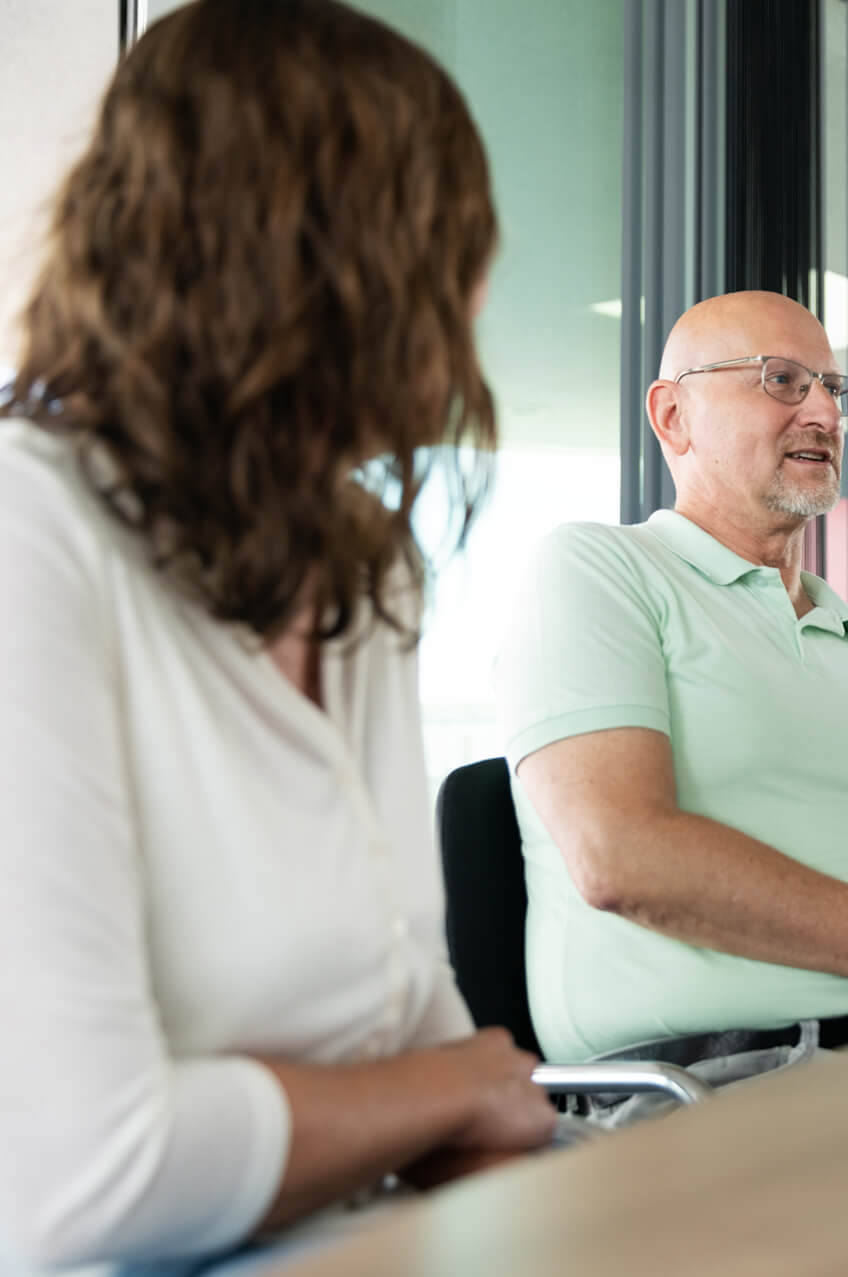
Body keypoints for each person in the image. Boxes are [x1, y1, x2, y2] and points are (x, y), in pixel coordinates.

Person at [0, 3, 557, 1269]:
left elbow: (407, 1003)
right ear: (332, 253)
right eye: (454, 240)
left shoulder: (362, 566)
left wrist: (447, 1094)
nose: (477, 294)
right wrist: (443, 1092)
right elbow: (82, 1172)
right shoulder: (28, 531)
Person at [495, 290, 848, 1065]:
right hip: (708, 1088)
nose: (825, 415)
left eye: (833, 388)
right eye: (781, 380)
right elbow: (618, 853)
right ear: (673, 417)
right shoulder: (596, 572)